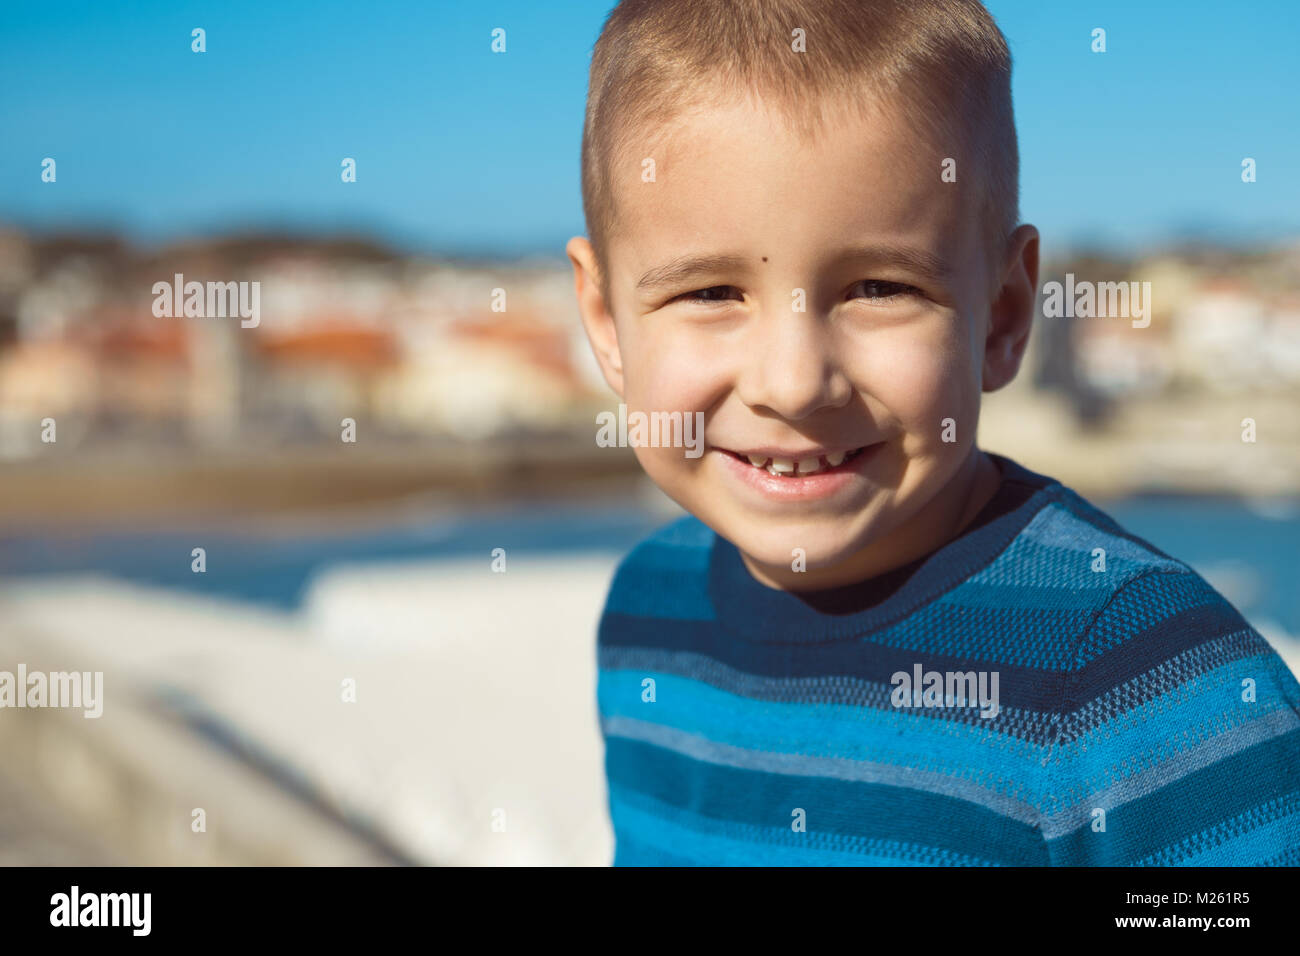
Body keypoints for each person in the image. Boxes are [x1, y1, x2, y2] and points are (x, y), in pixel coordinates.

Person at [565, 0, 1300, 865]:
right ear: (607, 324)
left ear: (1003, 315)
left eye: (879, 288)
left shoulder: (1154, 687)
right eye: (710, 293)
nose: (795, 382)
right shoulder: (649, 614)